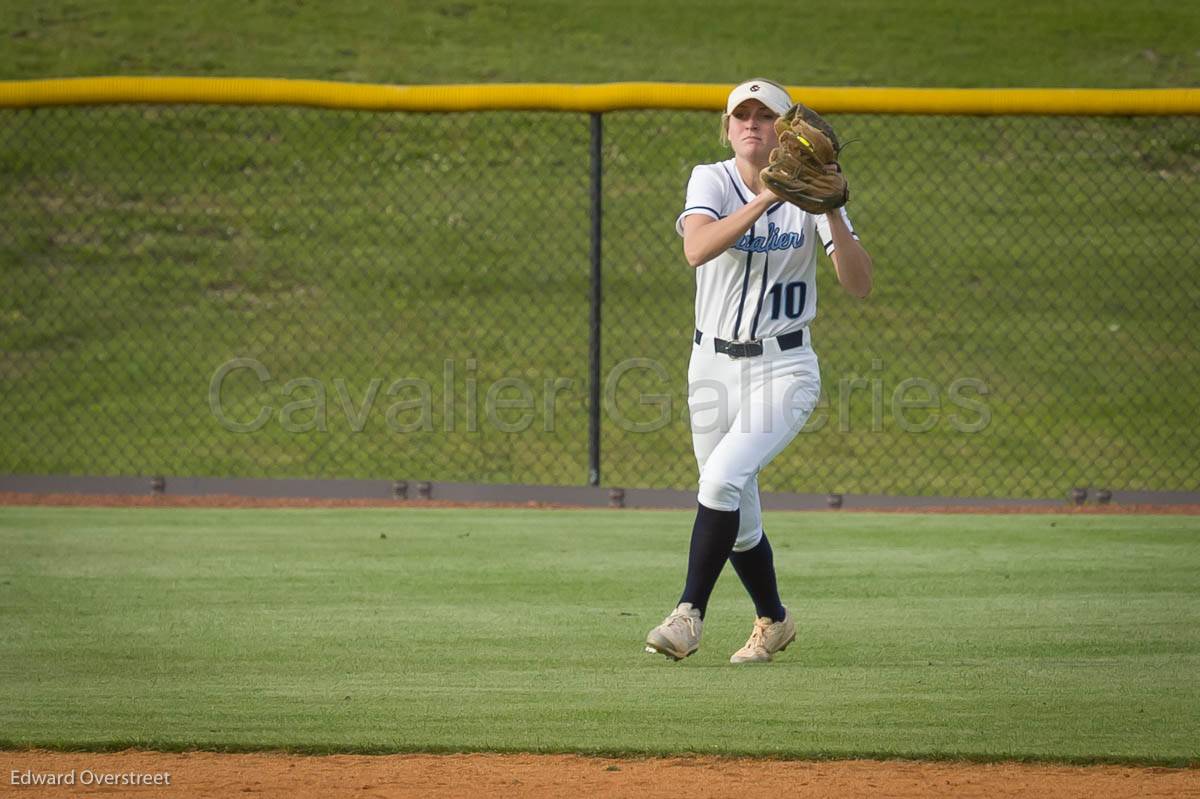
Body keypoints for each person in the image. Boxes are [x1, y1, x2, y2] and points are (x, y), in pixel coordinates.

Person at [644, 78, 874, 664]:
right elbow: (697, 249)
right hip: (710, 366)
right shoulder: (711, 179)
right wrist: (770, 197)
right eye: (740, 115)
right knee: (737, 515)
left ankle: (688, 614)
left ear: (787, 130)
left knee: (720, 482)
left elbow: (860, 283)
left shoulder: (814, 195)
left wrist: (835, 213)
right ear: (727, 129)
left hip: (785, 368)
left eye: (764, 115)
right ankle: (774, 619)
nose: (751, 123)